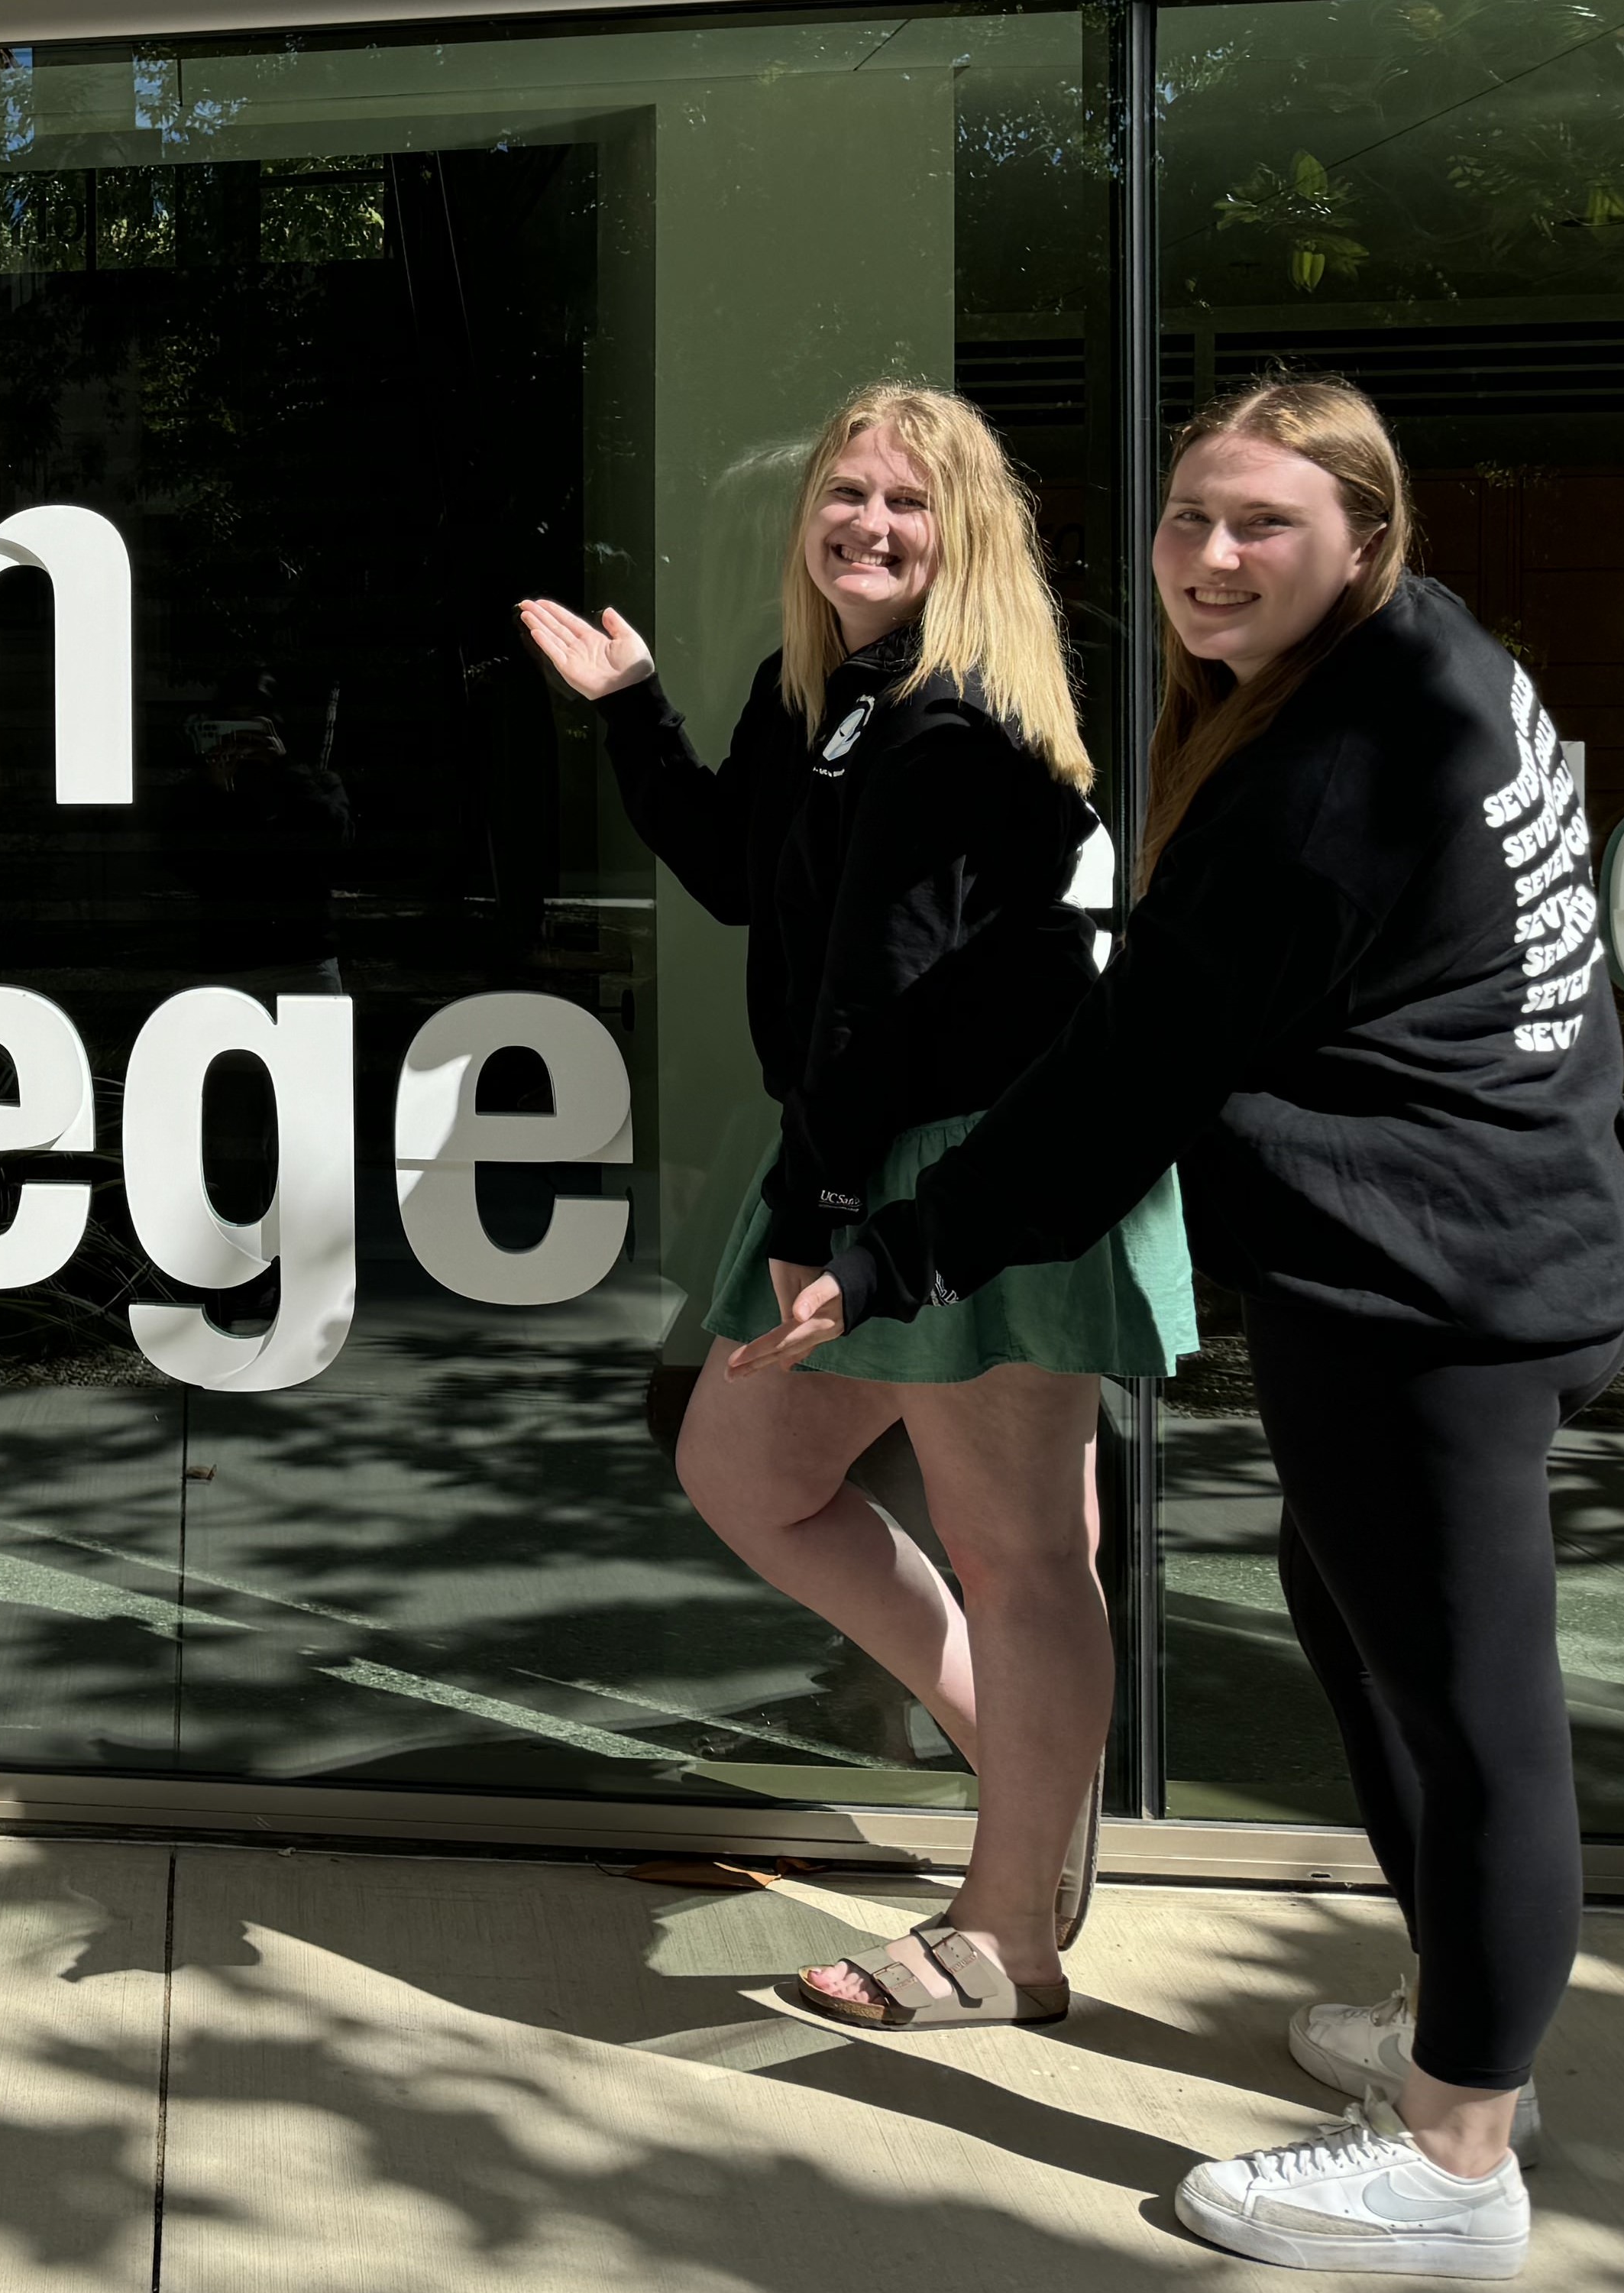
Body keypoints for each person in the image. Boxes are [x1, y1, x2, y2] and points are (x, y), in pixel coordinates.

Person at [742, 376, 1624, 2279]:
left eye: (1264, 525)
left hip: (1441, 1289)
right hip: (1488, 1244)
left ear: (1366, 534)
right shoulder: (1433, 663)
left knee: (1475, 1711)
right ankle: (1453, 2029)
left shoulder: (1331, 774)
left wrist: (912, 1245)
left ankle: (1456, 2154)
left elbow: (1123, 1084)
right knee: (1363, 1623)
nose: (1211, 560)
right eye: (1189, 520)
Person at [517, 379, 1189, 2034]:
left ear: (965, 535)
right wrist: (631, 709)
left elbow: (880, 1002)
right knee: (749, 1465)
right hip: (874, 1142)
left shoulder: (956, 719)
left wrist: (825, 1220)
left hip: (981, 1160)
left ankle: (1005, 1934)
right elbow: (750, 876)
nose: (868, 525)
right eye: (846, 494)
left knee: (1022, 1543)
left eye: (906, 503)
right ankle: (1027, 1784)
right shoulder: (834, 694)